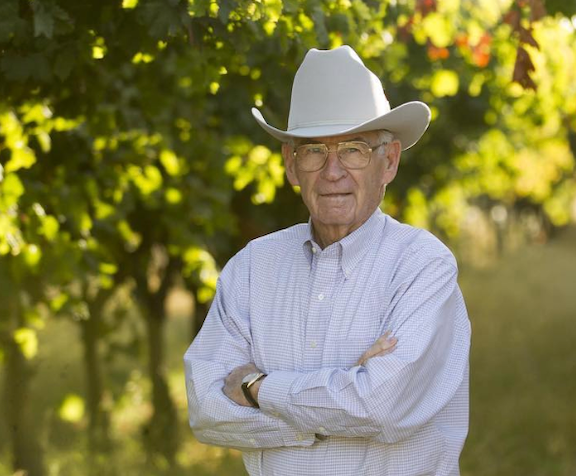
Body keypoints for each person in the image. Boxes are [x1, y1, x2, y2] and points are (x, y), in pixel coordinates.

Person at [184, 46, 471, 476]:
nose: (333, 171)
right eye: (314, 150)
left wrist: (256, 387)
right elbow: (206, 409)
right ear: (291, 165)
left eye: (354, 149)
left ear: (388, 161)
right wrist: (338, 401)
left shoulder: (422, 266)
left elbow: (381, 408)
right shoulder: (250, 268)